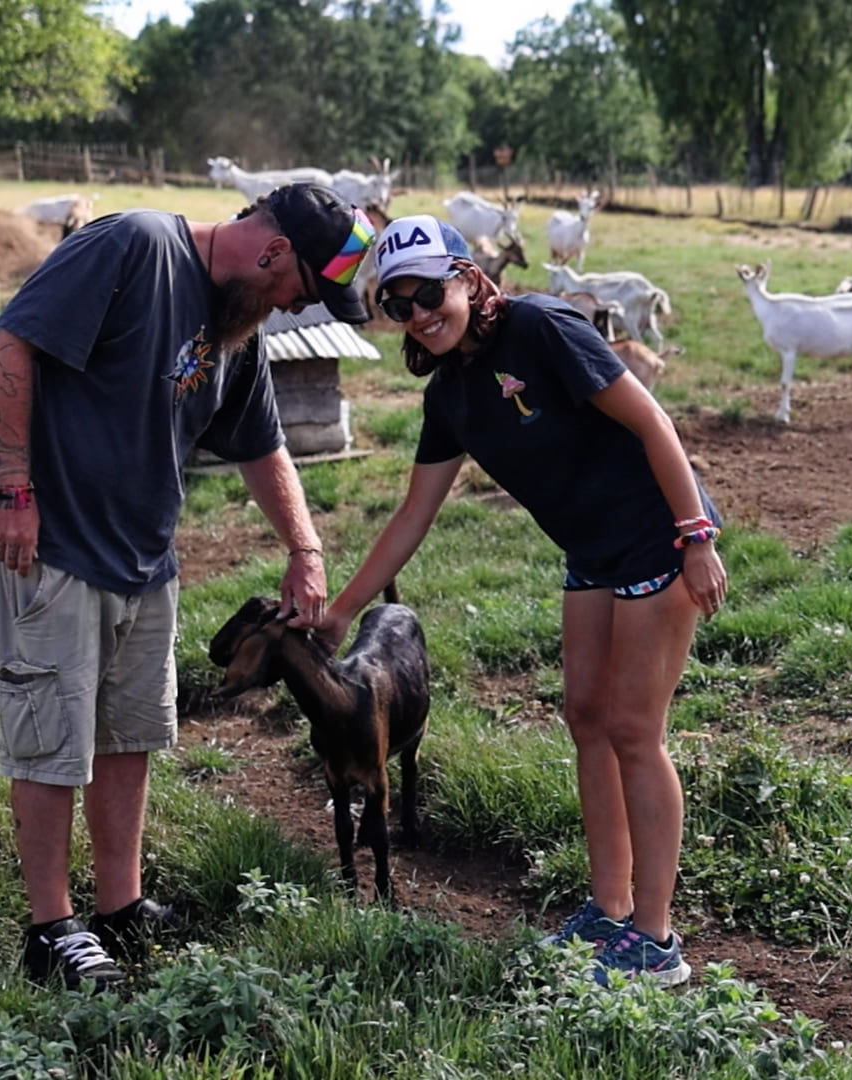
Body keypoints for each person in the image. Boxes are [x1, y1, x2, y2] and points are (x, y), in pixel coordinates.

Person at [302, 215, 725, 986]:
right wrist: (339, 609)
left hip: (657, 534)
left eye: (429, 292)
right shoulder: (452, 392)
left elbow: (653, 421)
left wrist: (696, 534)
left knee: (635, 730)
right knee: (586, 721)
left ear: (465, 276)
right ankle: (608, 911)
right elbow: (412, 516)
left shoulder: (540, 327)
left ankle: (655, 943)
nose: (420, 314)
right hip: (592, 552)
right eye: (399, 304)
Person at [0, 183, 377, 989]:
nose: (295, 306)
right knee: (52, 742)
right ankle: (51, 929)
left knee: (130, 738)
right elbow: (8, 344)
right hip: (54, 546)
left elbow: (261, 444)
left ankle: (119, 909)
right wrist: (15, 490)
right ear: (271, 253)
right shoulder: (133, 245)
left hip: (145, 558)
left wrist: (305, 547)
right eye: (300, 288)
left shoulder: (238, 327)